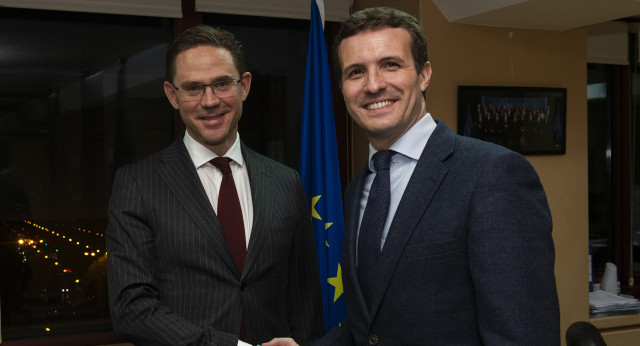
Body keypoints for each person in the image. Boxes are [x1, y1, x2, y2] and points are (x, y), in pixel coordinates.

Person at [311, 7, 559, 345]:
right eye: (356, 72)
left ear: (424, 74)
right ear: (342, 88)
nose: (373, 84)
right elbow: (369, 329)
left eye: (391, 64)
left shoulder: (493, 174)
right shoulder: (359, 187)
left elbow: (523, 334)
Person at [106, 24, 324, 346]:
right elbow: (131, 308)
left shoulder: (285, 181)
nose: (209, 101)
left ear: (244, 86)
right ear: (172, 95)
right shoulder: (137, 184)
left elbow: (305, 301)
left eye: (222, 83)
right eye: (193, 88)